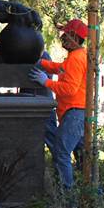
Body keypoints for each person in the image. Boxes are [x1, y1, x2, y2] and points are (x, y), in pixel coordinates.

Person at [28, 18, 88, 191]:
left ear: (75, 38)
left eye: (67, 35)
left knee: (61, 153)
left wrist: (46, 82)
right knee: (82, 154)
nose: (63, 38)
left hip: (74, 112)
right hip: (76, 112)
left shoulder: (76, 59)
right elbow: (60, 68)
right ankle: (89, 193)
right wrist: (41, 64)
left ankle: (67, 196)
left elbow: (69, 89)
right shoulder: (77, 56)